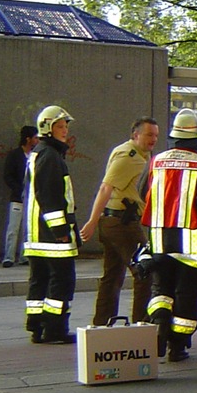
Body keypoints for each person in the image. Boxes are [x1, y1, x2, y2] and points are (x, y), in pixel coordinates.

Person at [142, 108, 197, 363]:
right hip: (191, 243)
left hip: (159, 240)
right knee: (186, 295)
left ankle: (160, 325)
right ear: (196, 136)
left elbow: (145, 194)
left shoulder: (156, 161)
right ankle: (177, 346)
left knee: (160, 289)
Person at [79, 117, 159, 326]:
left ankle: (101, 325)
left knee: (112, 276)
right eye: (149, 134)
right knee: (144, 270)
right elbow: (106, 187)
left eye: (156, 135)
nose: (153, 139)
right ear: (136, 134)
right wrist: (92, 221)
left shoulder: (141, 154)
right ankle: (142, 325)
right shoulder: (128, 156)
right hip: (121, 223)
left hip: (118, 221)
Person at [23, 105, 80, 344]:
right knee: (61, 281)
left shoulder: (40, 153)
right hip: (52, 237)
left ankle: (37, 326)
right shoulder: (50, 156)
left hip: (38, 234)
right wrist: (61, 231)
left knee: (40, 281)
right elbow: (51, 196)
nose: (64, 130)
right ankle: (55, 329)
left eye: (66, 126)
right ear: (47, 128)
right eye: (60, 126)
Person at [1, 125, 37, 267]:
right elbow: (7, 176)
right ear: (28, 139)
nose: (37, 140)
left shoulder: (35, 156)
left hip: (32, 198)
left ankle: (24, 256)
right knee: (13, 228)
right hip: (18, 197)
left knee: (27, 229)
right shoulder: (15, 155)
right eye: (35, 138)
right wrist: (18, 189)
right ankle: (9, 257)